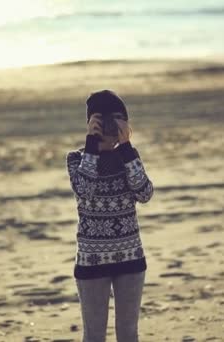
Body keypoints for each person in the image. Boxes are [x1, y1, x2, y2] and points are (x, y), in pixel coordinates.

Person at [66, 89, 154, 341]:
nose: (110, 125)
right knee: (94, 335)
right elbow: (85, 190)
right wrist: (92, 146)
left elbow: (145, 193)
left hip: (130, 258)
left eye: (118, 118)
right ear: (91, 122)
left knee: (128, 333)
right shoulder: (77, 159)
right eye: (103, 119)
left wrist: (126, 147)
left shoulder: (127, 157)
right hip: (92, 260)